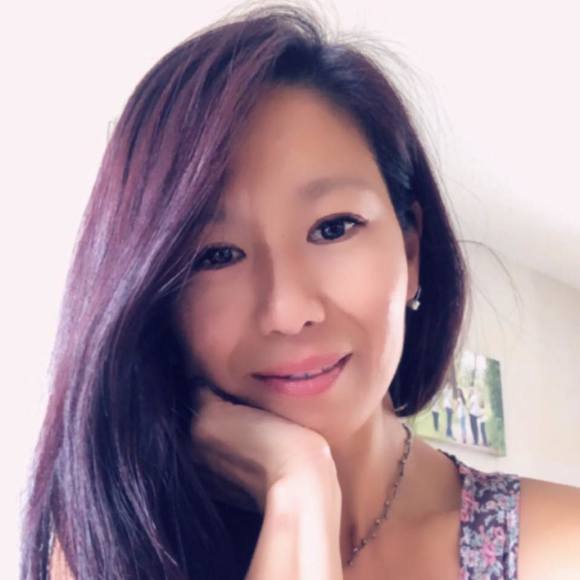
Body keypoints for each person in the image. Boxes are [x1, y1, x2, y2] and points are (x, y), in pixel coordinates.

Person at [20, 4, 580, 580]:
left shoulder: (562, 549)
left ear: (411, 250)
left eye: (333, 228)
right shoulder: (105, 553)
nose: (288, 311)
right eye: (216, 256)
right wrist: (299, 490)